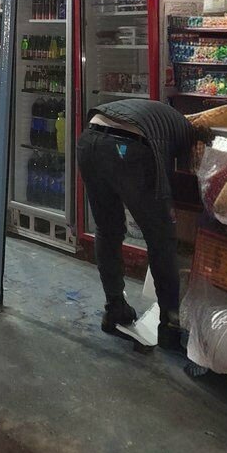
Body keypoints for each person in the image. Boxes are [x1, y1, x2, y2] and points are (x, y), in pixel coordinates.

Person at [76, 98, 213, 350]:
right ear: (198, 141)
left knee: (107, 229)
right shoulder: (186, 135)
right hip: (127, 147)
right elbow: (175, 180)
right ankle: (170, 326)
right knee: (161, 238)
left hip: (89, 140)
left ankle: (115, 308)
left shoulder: (165, 118)